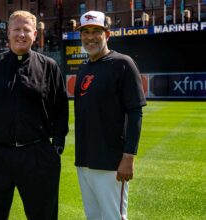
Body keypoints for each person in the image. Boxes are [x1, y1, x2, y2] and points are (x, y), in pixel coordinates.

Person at [0, 10, 69, 220]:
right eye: (17, 29)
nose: (21, 34)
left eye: (27, 30)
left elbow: (61, 107)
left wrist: (57, 144)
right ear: (8, 33)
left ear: (35, 34)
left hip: (36, 154)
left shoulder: (49, 66)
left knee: (43, 215)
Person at [74, 10, 146, 220]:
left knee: (114, 217)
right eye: (85, 32)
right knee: (93, 216)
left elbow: (135, 113)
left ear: (107, 34)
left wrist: (128, 158)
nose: (90, 37)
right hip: (85, 159)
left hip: (111, 162)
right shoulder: (84, 67)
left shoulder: (123, 63)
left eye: (96, 31)